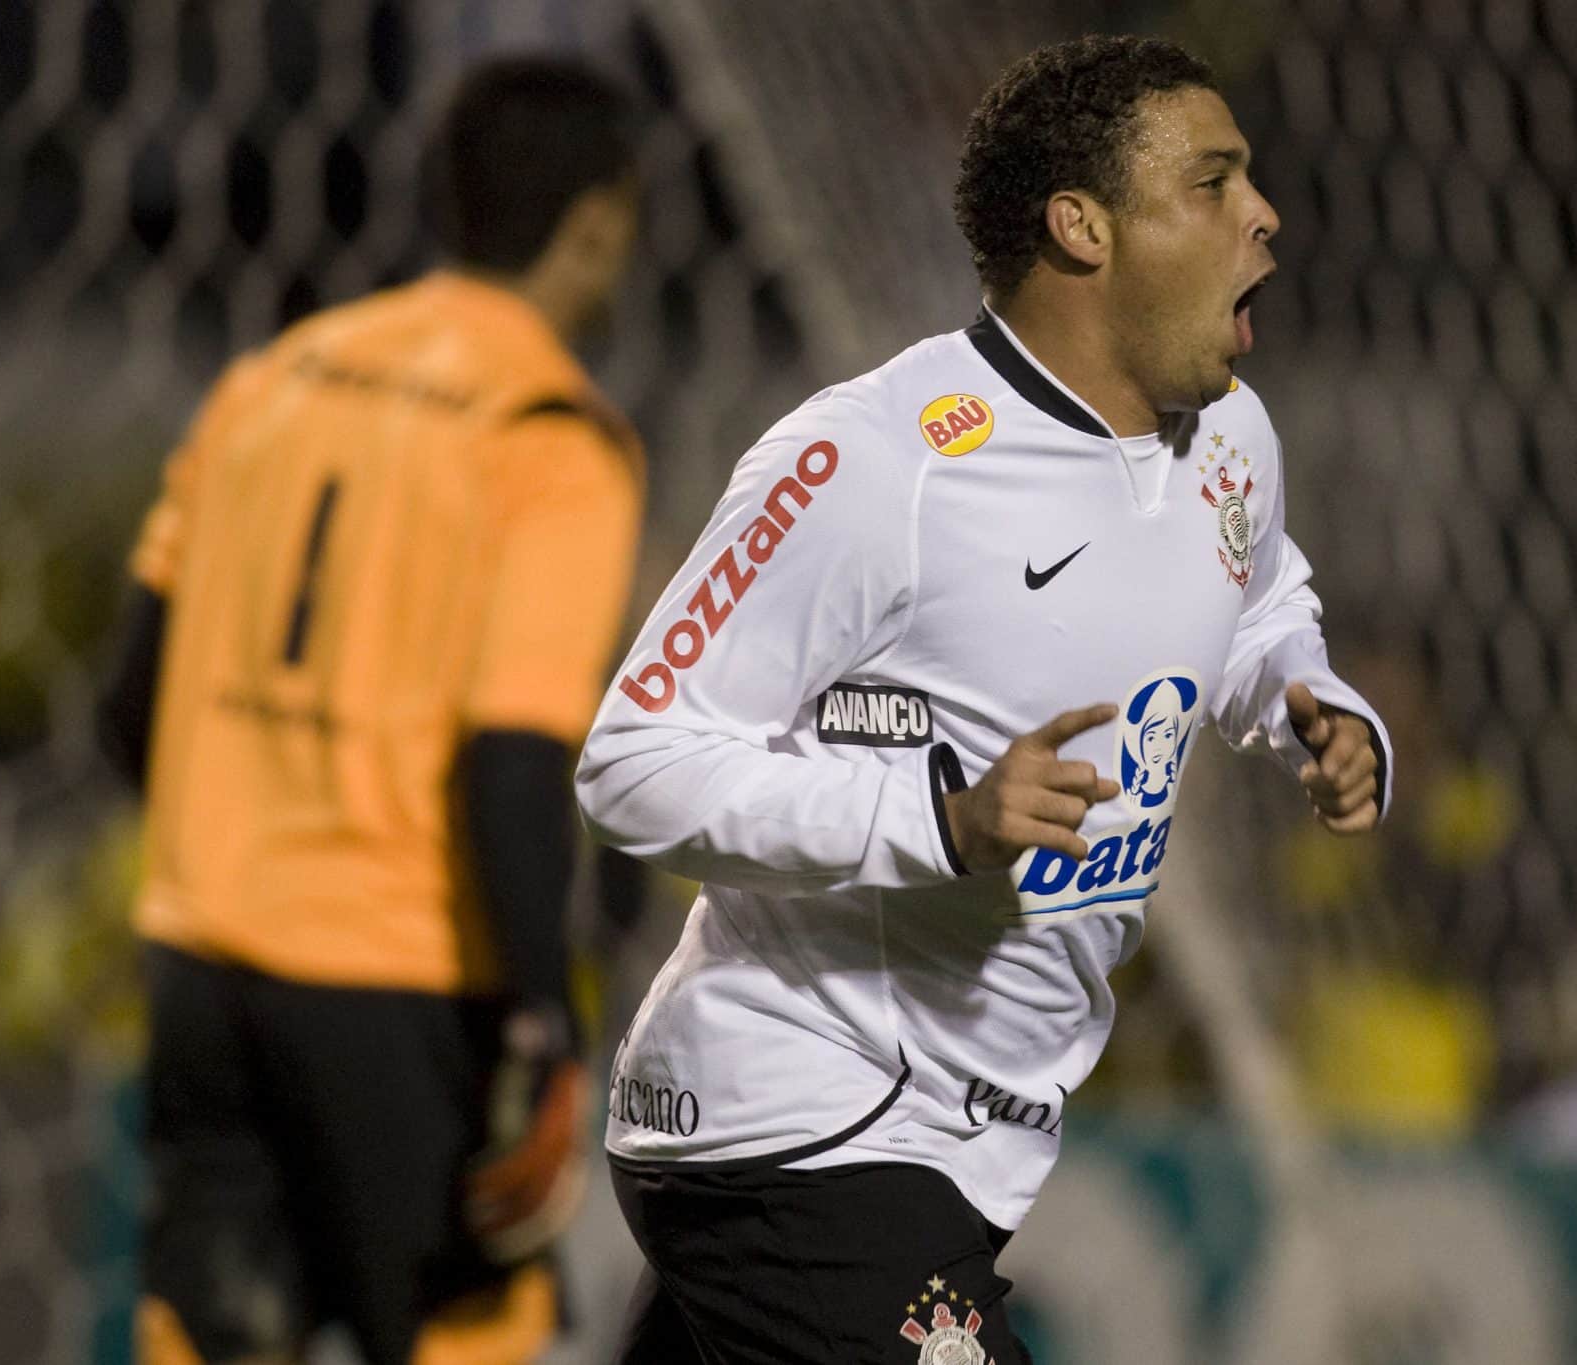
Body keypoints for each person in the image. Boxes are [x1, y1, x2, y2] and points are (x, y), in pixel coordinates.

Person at [577, 33, 1390, 1363]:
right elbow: (632, 761)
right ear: (1083, 229)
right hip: (798, 1122)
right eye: (1212, 184)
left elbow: (1255, 598)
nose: (1264, 215)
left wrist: (1307, 692)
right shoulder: (872, 460)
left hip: (958, 1141)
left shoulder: (1232, 437)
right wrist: (939, 818)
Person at [96, 55, 645, 1365]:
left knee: (220, 1322)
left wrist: (244, 849)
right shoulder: (547, 435)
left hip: (203, 961)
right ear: (600, 224)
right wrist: (541, 1020)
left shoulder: (270, 380)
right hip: (403, 982)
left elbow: (131, 706)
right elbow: (511, 763)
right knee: (468, 1331)